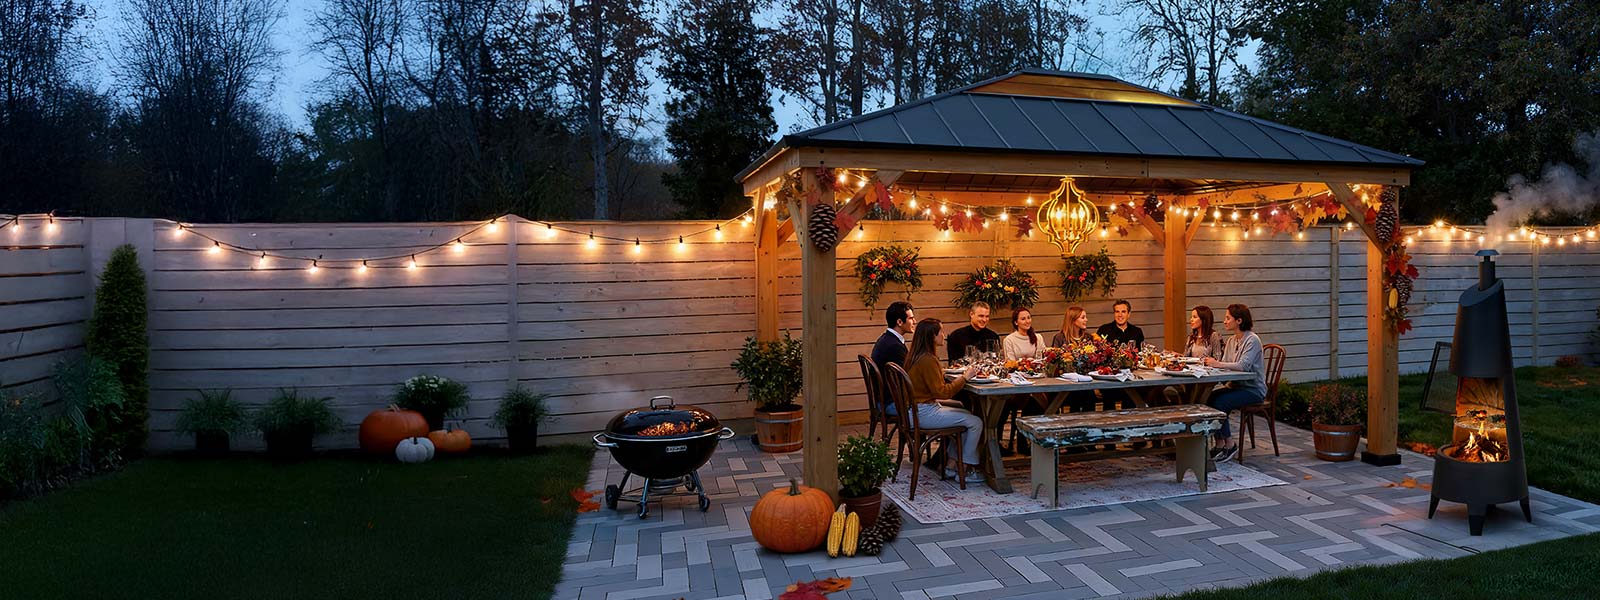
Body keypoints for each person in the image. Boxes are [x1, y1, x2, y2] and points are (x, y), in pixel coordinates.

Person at [903, 318, 987, 485]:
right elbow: (942, 392)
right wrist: (965, 377)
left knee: (965, 412)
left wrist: (944, 372)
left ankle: (951, 465)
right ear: (932, 337)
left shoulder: (916, 356)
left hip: (915, 410)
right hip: (924, 413)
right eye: (940, 331)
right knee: (976, 422)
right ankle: (967, 467)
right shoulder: (928, 359)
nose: (944, 335)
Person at [1203, 304, 1266, 463]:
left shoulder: (1252, 340)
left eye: (1227, 318)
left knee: (1220, 402)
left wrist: (1217, 364)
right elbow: (1226, 364)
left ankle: (1230, 444)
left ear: (1239, 320)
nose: (1224, 321)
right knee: (1208, 398)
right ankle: (1219, 443)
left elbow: (1243, 366)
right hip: (1236, 386)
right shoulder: (1231, 340)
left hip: (1253, 390)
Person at [1163, 306, 1224, 404]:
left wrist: (1201, 361)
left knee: (1189, 396)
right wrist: (1176, 355)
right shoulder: (1191, 337)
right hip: (1191, 374)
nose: (1191, 320)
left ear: (1204, 319)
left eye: (1195, 317)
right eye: (1191, 317)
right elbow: (1186, 357)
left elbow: (1217, 359)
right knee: (1170, 391)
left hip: (1206, 377)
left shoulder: (1213, 336)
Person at [946, 301, 1000, 366]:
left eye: (987, 316)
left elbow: (997, 362)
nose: (984, 320)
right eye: (981, 316)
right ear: (971, 314)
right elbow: (953, 364)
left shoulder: (993, 336)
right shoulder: (956, 336)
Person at [872, 301, 915, 372]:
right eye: (911, 318)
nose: (914, 321)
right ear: (899, 322)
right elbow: (907, 374)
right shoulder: (895, 346)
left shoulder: (885, 339)